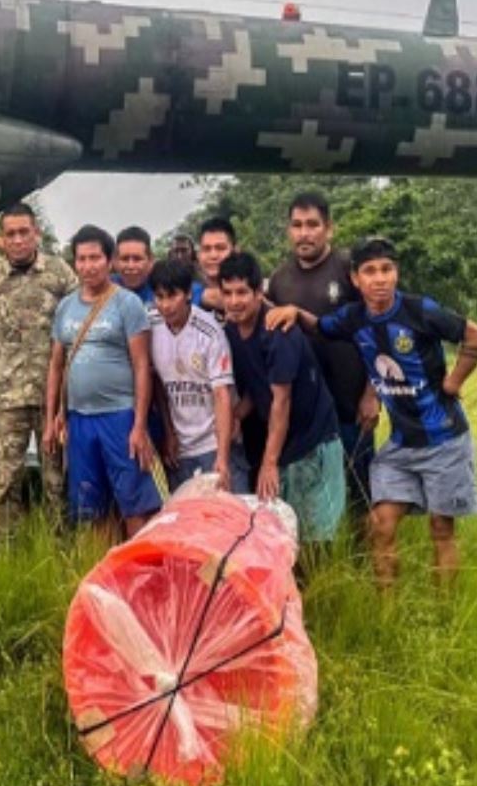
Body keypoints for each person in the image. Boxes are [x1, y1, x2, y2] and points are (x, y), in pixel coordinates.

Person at [271, 238, 477, 589]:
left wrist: (453, 382)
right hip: (401, 445)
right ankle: (387, 613)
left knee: (441, 528)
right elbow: (321, 328)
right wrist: (295, 313)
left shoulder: (421, 311)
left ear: (396, 273)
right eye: (370, 271)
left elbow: (476, 336)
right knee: (380, 524)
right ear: (355, 279)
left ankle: (446, 615)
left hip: (444, 439)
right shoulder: (354, 318)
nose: (379, 279)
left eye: (386, 269)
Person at [0, 203, 76, 539]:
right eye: (10, 233)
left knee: (56, 480)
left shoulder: (59, 273)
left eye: (23, 232)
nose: (17, 240)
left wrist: (70, 396)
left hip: (51, 399)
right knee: (5, 482)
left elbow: (76, 329)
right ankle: (2, 560)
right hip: (7, 397)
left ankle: (60, 555)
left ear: (36, 232)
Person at [264, 191, 380, 521]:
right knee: (309, 503)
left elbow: (378, 329)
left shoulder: (349, 269)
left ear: (329, 228)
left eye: (312, 224)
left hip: (351, 406)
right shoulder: (280, 279)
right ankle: (317, 568)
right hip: (305, 413)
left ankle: (362, 568)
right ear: (288, 230)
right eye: (297, 225)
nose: (304, 233)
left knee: (361, 496)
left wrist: (373, 394)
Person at [218, 251, 345, 544]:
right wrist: (236, 416)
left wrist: (269, 462)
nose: (235, 301)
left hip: (314, 439)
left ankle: (321, 587)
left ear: (258, 292)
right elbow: (254, 385)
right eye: (228, 293)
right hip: (283, 441)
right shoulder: (231, 332)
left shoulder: (278, 331)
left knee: (316, 536)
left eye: (242, 293)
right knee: (281, 533)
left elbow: (281, 400)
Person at [44, 225, 157, 536]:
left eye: (95, 257)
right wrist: (52, 418)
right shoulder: (66, 307)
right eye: (81, 259)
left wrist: (139, 425)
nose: (88, 266)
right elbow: (56, 366)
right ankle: (102, 575)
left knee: (134, 504)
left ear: (110, 262)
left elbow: (142, 365)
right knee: (91, 508)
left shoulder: (127, 303)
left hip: (120, 416)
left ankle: (139, 574)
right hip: (79, 419)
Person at [149, 258, 235, 492]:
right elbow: (158, 384)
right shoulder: (151, 324)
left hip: (212, 444)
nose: (165, 305)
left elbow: (221, 395)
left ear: (188, 293)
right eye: (159, 297)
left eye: (172, 296)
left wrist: (223, 458)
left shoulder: (210, 332)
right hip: (179, 447)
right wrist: (169, 433)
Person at [195, 216, 237, 316]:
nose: (213, 255)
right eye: (206, 249)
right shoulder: (186, 294)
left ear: (235, 251)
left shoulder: (253, 290)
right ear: (198, 255)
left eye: (220, 248)